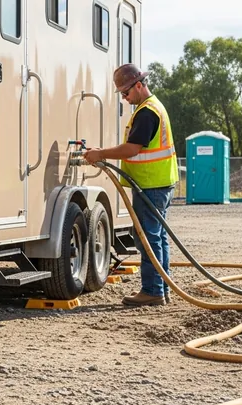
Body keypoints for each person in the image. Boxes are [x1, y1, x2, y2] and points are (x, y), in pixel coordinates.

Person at [83, 63, 179, 307]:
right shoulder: (153, 107)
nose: (124, 99)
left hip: (151, 184)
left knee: (147, 238)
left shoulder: (147, 112)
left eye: (126, 93)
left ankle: (153, 290)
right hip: (159, 182)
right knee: (157, 238)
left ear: (138, 86)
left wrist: (100, 153)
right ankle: (160, 288)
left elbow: (132, 149)